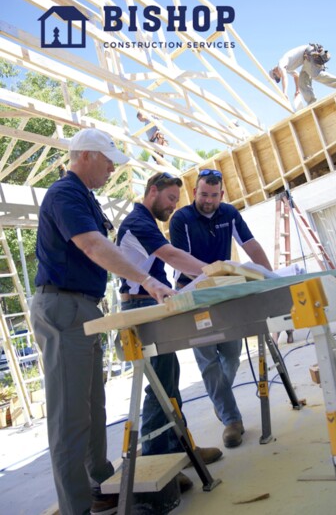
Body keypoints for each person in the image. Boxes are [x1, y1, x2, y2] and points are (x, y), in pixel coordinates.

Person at [31, 129, 175, 515]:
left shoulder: (84, 197)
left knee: (93, 408)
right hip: (63, 307)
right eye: (108, 159)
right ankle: (77, 507)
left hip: (83, 307)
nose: (113, 167)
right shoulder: (65, 194)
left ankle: (100, 485)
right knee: (70, 418)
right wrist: (148, 280)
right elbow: (94, 246)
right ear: (86, 156)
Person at [117, 172, 223, 493]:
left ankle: (182, 448)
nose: (174, 206)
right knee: (160, 387)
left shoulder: (145, 221)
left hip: (150, 306)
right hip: (139, 309)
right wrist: (212, 271)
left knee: (170, 379)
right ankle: (157, 456)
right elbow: (172, 256)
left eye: (177, 201)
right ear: (152, 191)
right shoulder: (139, 221)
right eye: (170, 199)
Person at [169, 169, 273, 448]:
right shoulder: (182, 219)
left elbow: (250, 245)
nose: (208, 200)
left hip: (225, 291)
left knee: (232, 353)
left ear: (222, 195)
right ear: (194, 192)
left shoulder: (229, 213)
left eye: (214, 196)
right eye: (203, 194)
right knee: (208, 360)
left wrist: (272, 275)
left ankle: (220, 399)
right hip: (193, 293)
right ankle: (231, 420)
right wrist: (208, 282)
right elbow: (182, 260)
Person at [269, 43, 336, 105]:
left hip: (309, 54)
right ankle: (312, 103)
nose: (278, 77)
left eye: (277, 77)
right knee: (302, 82)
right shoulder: (287, 68)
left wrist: (284, 93)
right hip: (306, 60)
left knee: (316, 75)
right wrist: (297, 91)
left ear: (274, 72)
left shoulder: (281, 64)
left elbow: (284, 77)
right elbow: (295, 75)